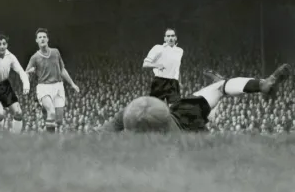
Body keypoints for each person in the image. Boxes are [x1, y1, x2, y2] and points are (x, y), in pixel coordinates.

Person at [94, 63, 291, 133]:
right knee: (220, 88)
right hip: (183, 120)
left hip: (183, 125)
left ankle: (228, 84)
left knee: (219, 89)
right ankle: (259, 84)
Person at [26, 28, 80, 133]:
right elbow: (26, 74)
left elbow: (62, 69)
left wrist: (72, 84)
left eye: (44, 37)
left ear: (48, 39)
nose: (42, 39)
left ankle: (45, 110)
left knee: (58, 120)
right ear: (36, 40)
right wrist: (29, 73)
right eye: (40, 37)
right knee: (51, 112)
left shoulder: (55, 52)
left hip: (58, 86)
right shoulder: (34, 57)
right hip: (44, 87)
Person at [0, 33, 30, 133]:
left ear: (7, 45)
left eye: (4, 44)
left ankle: (15, 139)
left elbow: (20, 71)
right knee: (0, 114)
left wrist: (26, 84)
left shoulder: (10, 56)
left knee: (18, 113)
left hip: (5, 86)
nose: (2, 46)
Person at [143, 28, 183, 105]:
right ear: (164, 38)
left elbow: (177, 68)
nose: (170, 38)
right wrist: (157, 65)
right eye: (168, 36)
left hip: (173, 83)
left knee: (175, 108)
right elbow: (145, 64)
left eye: (172, 36)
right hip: (160, 81)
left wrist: (179, 81)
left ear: (176, 38)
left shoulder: (180, 51)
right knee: (156, 109)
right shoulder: (158, 48)